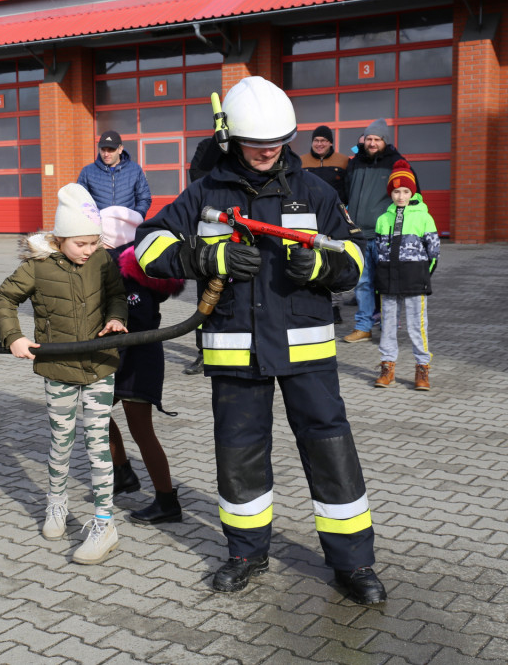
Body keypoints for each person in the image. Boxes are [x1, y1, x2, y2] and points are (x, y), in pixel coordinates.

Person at [133, 76, 386, 604]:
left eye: (277, 141)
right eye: (256, 142)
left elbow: (357, 257)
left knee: (332, 453)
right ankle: (246, 553)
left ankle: (354, 563)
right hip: (235, 348)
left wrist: (322, 263)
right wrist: (205, 258)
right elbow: (148, 246)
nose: (268, 150)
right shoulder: (206, 191)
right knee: (240, 453)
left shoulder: (316, 190)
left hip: (307, 351)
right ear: (232, 138)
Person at [0, 183, 128, 565]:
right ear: (60, 237)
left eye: (94, 242)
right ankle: (57, 504)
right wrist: (13, 336)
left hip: (100, 364)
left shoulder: (103, 261)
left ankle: (104, 522)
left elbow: (118, 293)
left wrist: (117, 317)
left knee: (98, 442)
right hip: (57, 368)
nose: (89, 250)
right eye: (81, 243)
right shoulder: (37, 266)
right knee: (61, 440)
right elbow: (3, 298)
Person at [100, 205, 184, 525]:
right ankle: (122, 473)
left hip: (138, 358)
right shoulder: (130, 266)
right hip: (122, 356)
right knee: (95, 410)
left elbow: (139, 315)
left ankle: (166, 501)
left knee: (141, 430)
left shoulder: (126, 270)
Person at [343, 118, 414, 344]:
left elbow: (412, 197)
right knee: (363, 284)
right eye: (369, 139)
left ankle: (388, 327)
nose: (372, 143)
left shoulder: (397, 163)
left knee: (386, 283)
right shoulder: (355, 162)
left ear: (385, 141)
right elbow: (346, 194)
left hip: (386, 235)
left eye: (377, 139)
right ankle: (363, 326)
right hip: (359, 235)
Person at [372, 160, 440, 391]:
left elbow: (434, 252)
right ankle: (387, 367)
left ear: (413, 192)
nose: (401, 196)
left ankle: (422, 369)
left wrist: (423, 275)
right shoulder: (383, 220)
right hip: (389, 280)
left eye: (405, 191)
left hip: (414, 280)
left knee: (416, 326)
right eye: (396, 191)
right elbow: (379, 253)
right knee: (388, 324)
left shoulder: (424, 217)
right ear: (390, 193)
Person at [300, 126, 352, 324]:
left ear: (331, 143)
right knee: (308, 257)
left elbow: (348, 189)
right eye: (316, 140)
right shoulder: (301, 161)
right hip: (308, 217)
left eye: (323, 140)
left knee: (333, 259)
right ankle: (307, 301)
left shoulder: (343, 161)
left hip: (333, 217)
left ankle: (334, 306)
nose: (319, 144)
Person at [183, 137, 225, 375]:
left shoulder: (247, 148)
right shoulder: (206, 146)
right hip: (208, 238)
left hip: (241, 237)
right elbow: (196, 175)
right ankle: (203, 352)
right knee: (204, 299)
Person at [77, 131, 152, 218]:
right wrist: (93, 219)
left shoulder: (135, 170)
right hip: (98, 228)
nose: (106, 154)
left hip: (127, 227)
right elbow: (80, 200)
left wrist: (137, 216)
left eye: (111, 150)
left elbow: (144, 198)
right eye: (103, 150)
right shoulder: (87, 172)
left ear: (120, 149)